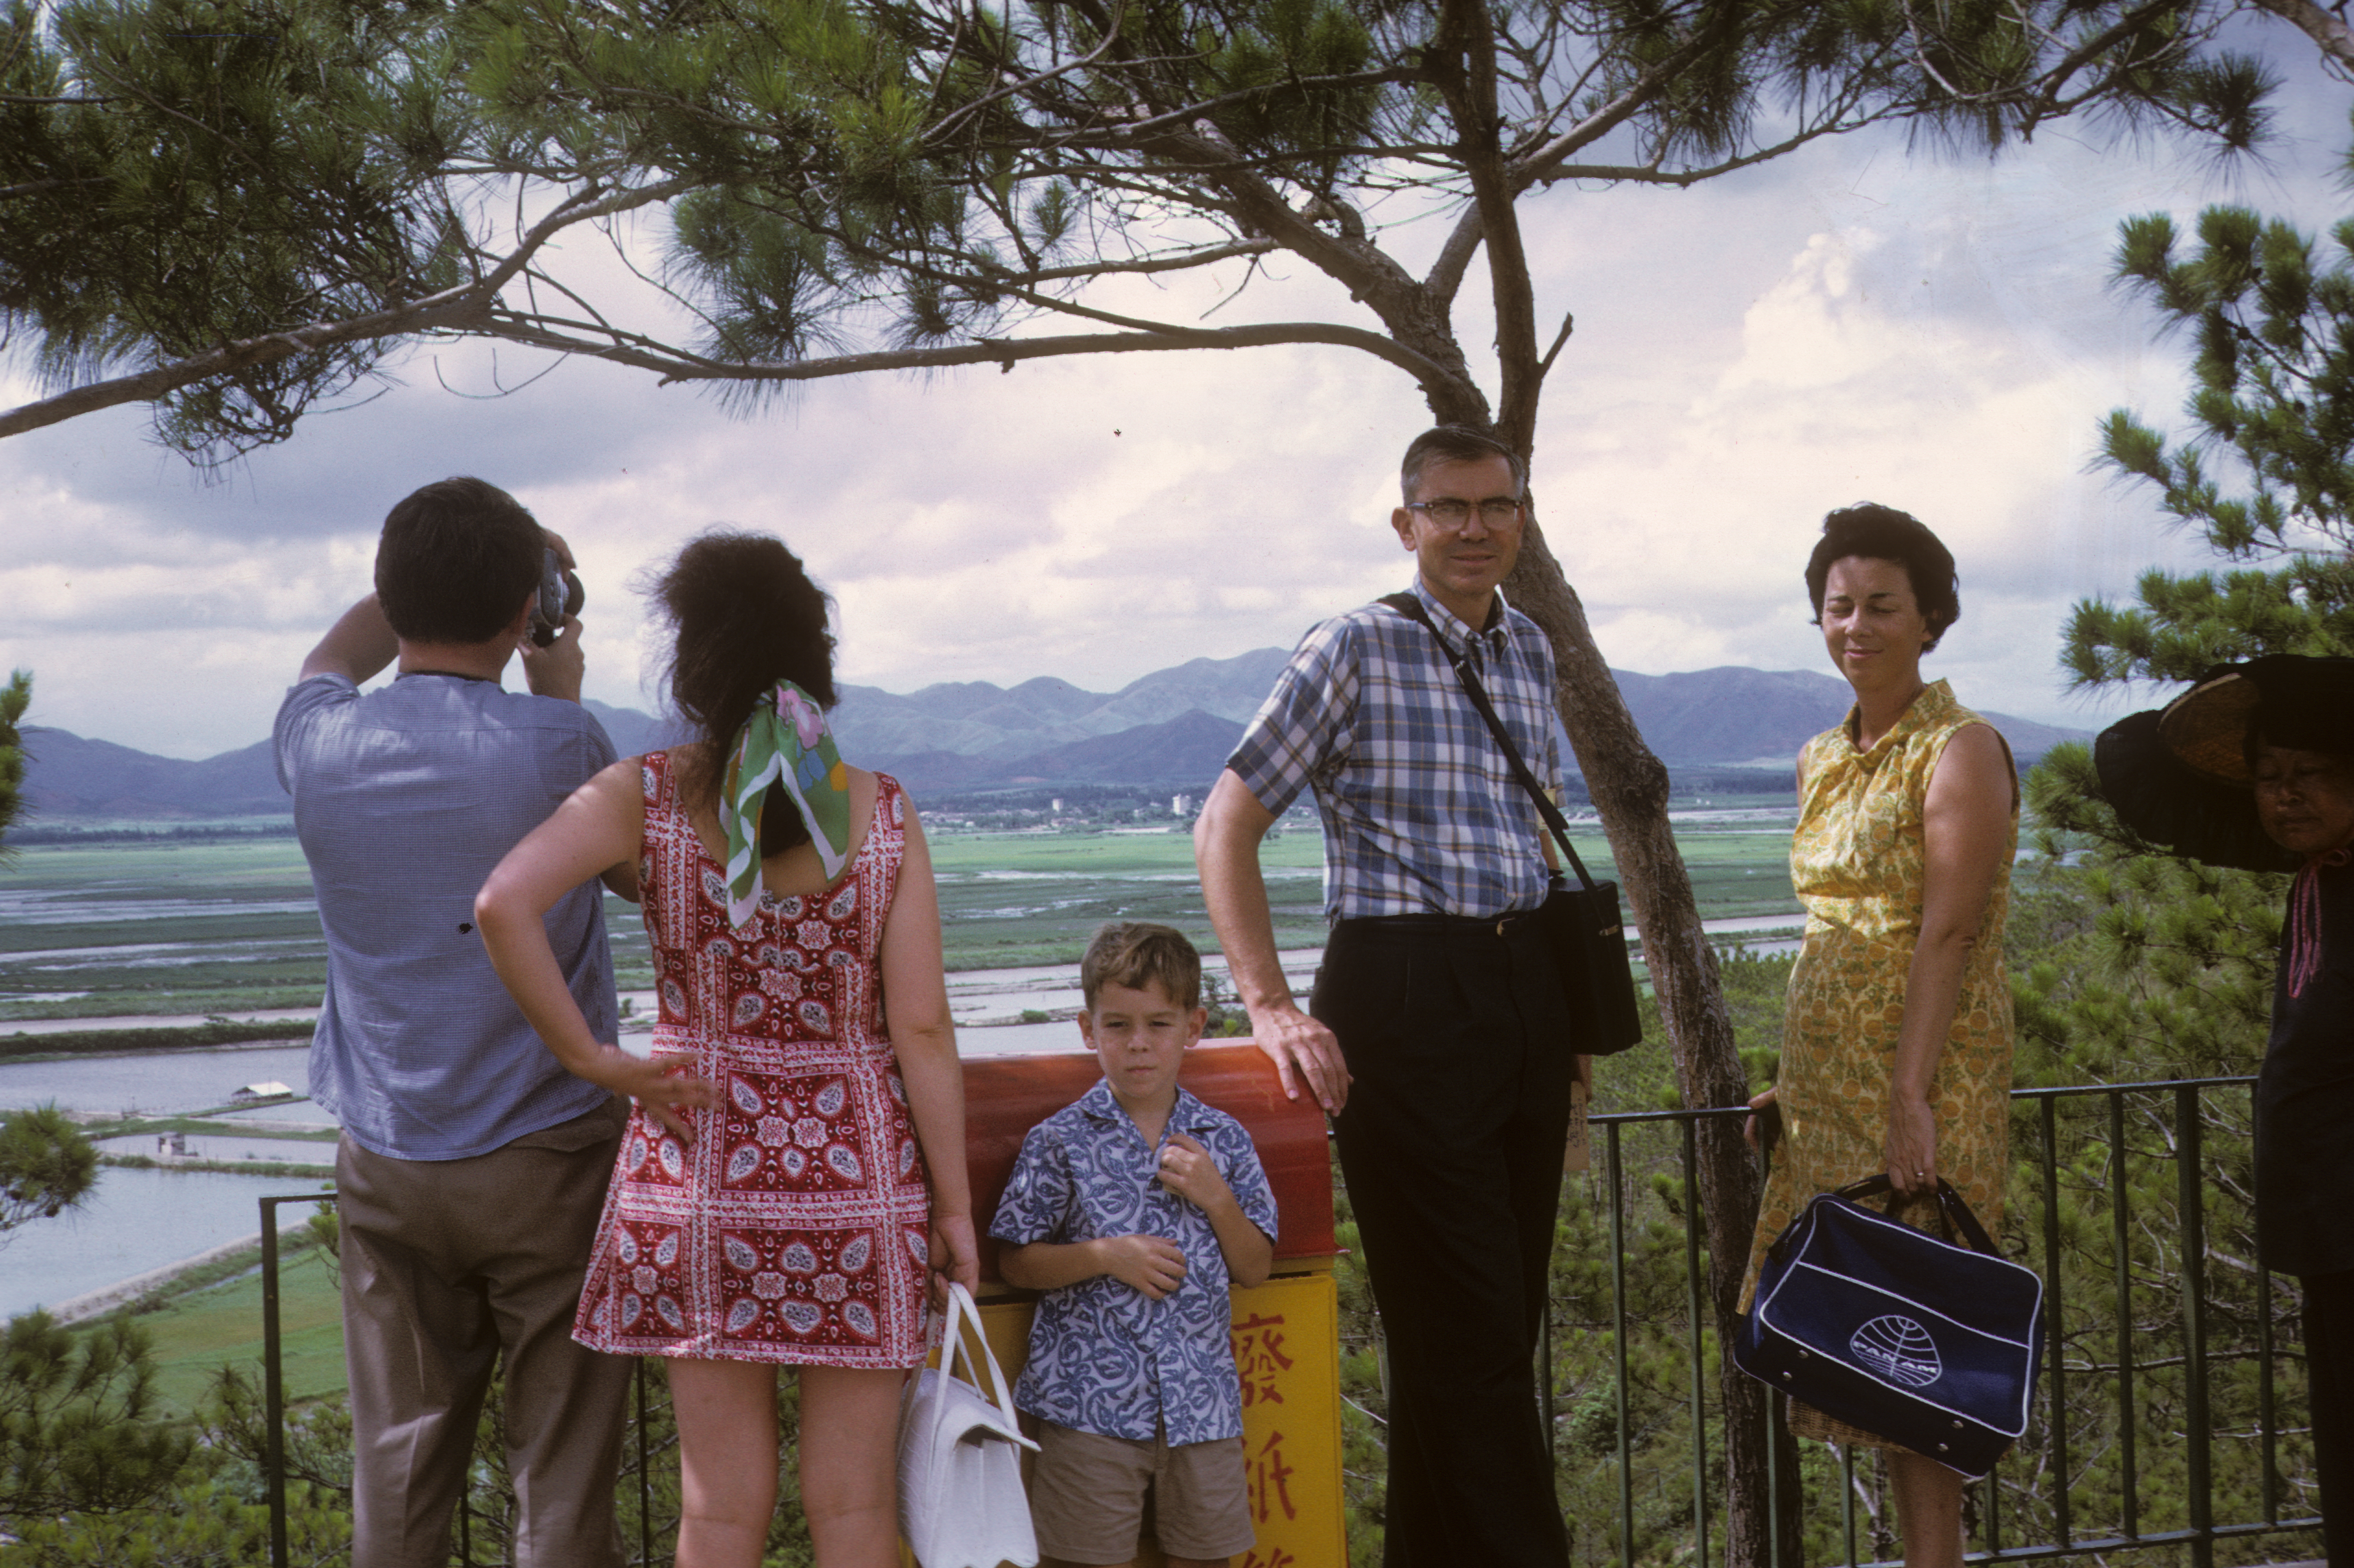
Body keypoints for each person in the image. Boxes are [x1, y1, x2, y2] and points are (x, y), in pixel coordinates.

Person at [474, 529, 977, 1568]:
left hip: (698, 1178)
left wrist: (595, 1059)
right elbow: (922, 1027)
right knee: (854, 1511)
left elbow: (502, 902)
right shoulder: (881, 810)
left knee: (716, 1511)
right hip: (857, 1187)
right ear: (817, 656)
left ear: (691, 665)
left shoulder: (645, 794)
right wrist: (957, 1210)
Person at [1194, 424, 1587, 1567]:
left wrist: (1564, 1029)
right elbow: (1225, 822)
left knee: (1486, 1336)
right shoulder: (1354, 646)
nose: (1474, 528)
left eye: (1496, 505)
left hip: (1524, 990)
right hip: (1404, 993)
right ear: (1404, 523)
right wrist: (1270, 1004)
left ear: (1523, 519)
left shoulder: (1529, 649)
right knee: (1469, 1335)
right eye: (1448, 507)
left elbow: (1530, 843)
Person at [273, 476, 679, 1568]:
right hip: (547, 1153)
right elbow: (644, 881)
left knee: (399, 1464)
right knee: (560, 1473)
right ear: (524, 611)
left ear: (390, 590)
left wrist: (478, 567)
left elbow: (336, 652)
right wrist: (557, 680)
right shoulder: (559, 743)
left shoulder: (315, 742)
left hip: (386, 1158)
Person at [1741, 503, 2018, 1568]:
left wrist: (1911, 1096)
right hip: (1827, 1090)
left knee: (1920, 1347)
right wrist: (1793, 1078)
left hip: (1925, 1078)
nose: (1856, 626)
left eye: (1882, 606)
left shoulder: (1959, 748)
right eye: (1838, 605)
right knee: (1845, 1335)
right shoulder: (1821, 754)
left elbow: (1946, 931)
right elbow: (1834, 927)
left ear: (1931, 619)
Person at [2093, 655, 2354, 1563]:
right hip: (2328, 1226)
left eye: (2308, 772)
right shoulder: (2322, 879)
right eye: (2268, 776)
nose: (2283, 795)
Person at [989, 922, 1278, 1568]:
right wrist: (1104, 1255)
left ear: (1194, 1027)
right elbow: (1016, 1261)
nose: (1139, 1044)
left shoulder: (1225, 1139)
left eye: (1159, 1024)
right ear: (1088, 1030)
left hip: (1202, 1407)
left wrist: (1217, 1197)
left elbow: (1255, 1267)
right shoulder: (1058, 1141)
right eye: (1118, 1025)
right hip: (1087, 1408)